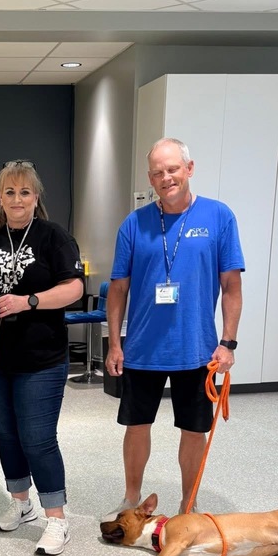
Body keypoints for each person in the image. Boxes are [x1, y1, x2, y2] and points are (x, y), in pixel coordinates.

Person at [103, 138, 244, 519]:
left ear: (189, 168)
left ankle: (189, 502)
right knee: (136, 425)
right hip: (143, 349)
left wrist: (228, 342)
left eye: (173, 169)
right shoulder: (134, 224)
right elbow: (118, 290)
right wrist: (115, 344)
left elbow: (232, 287)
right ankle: (132, 498)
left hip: (197, 348)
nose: (166, 178)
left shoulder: (219, 217)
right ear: (150, 178)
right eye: (158, 173)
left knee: (193, 429)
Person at [0, 160, 84, 556]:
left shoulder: (53, 237)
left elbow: (75, 288)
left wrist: (29, 301)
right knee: (8, 435)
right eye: (9, 192)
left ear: (36, 197)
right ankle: (21, 504)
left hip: (41, 360)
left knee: (38, 439)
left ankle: (57, 519)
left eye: (24, 192)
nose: (17, 199)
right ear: (0, 197)